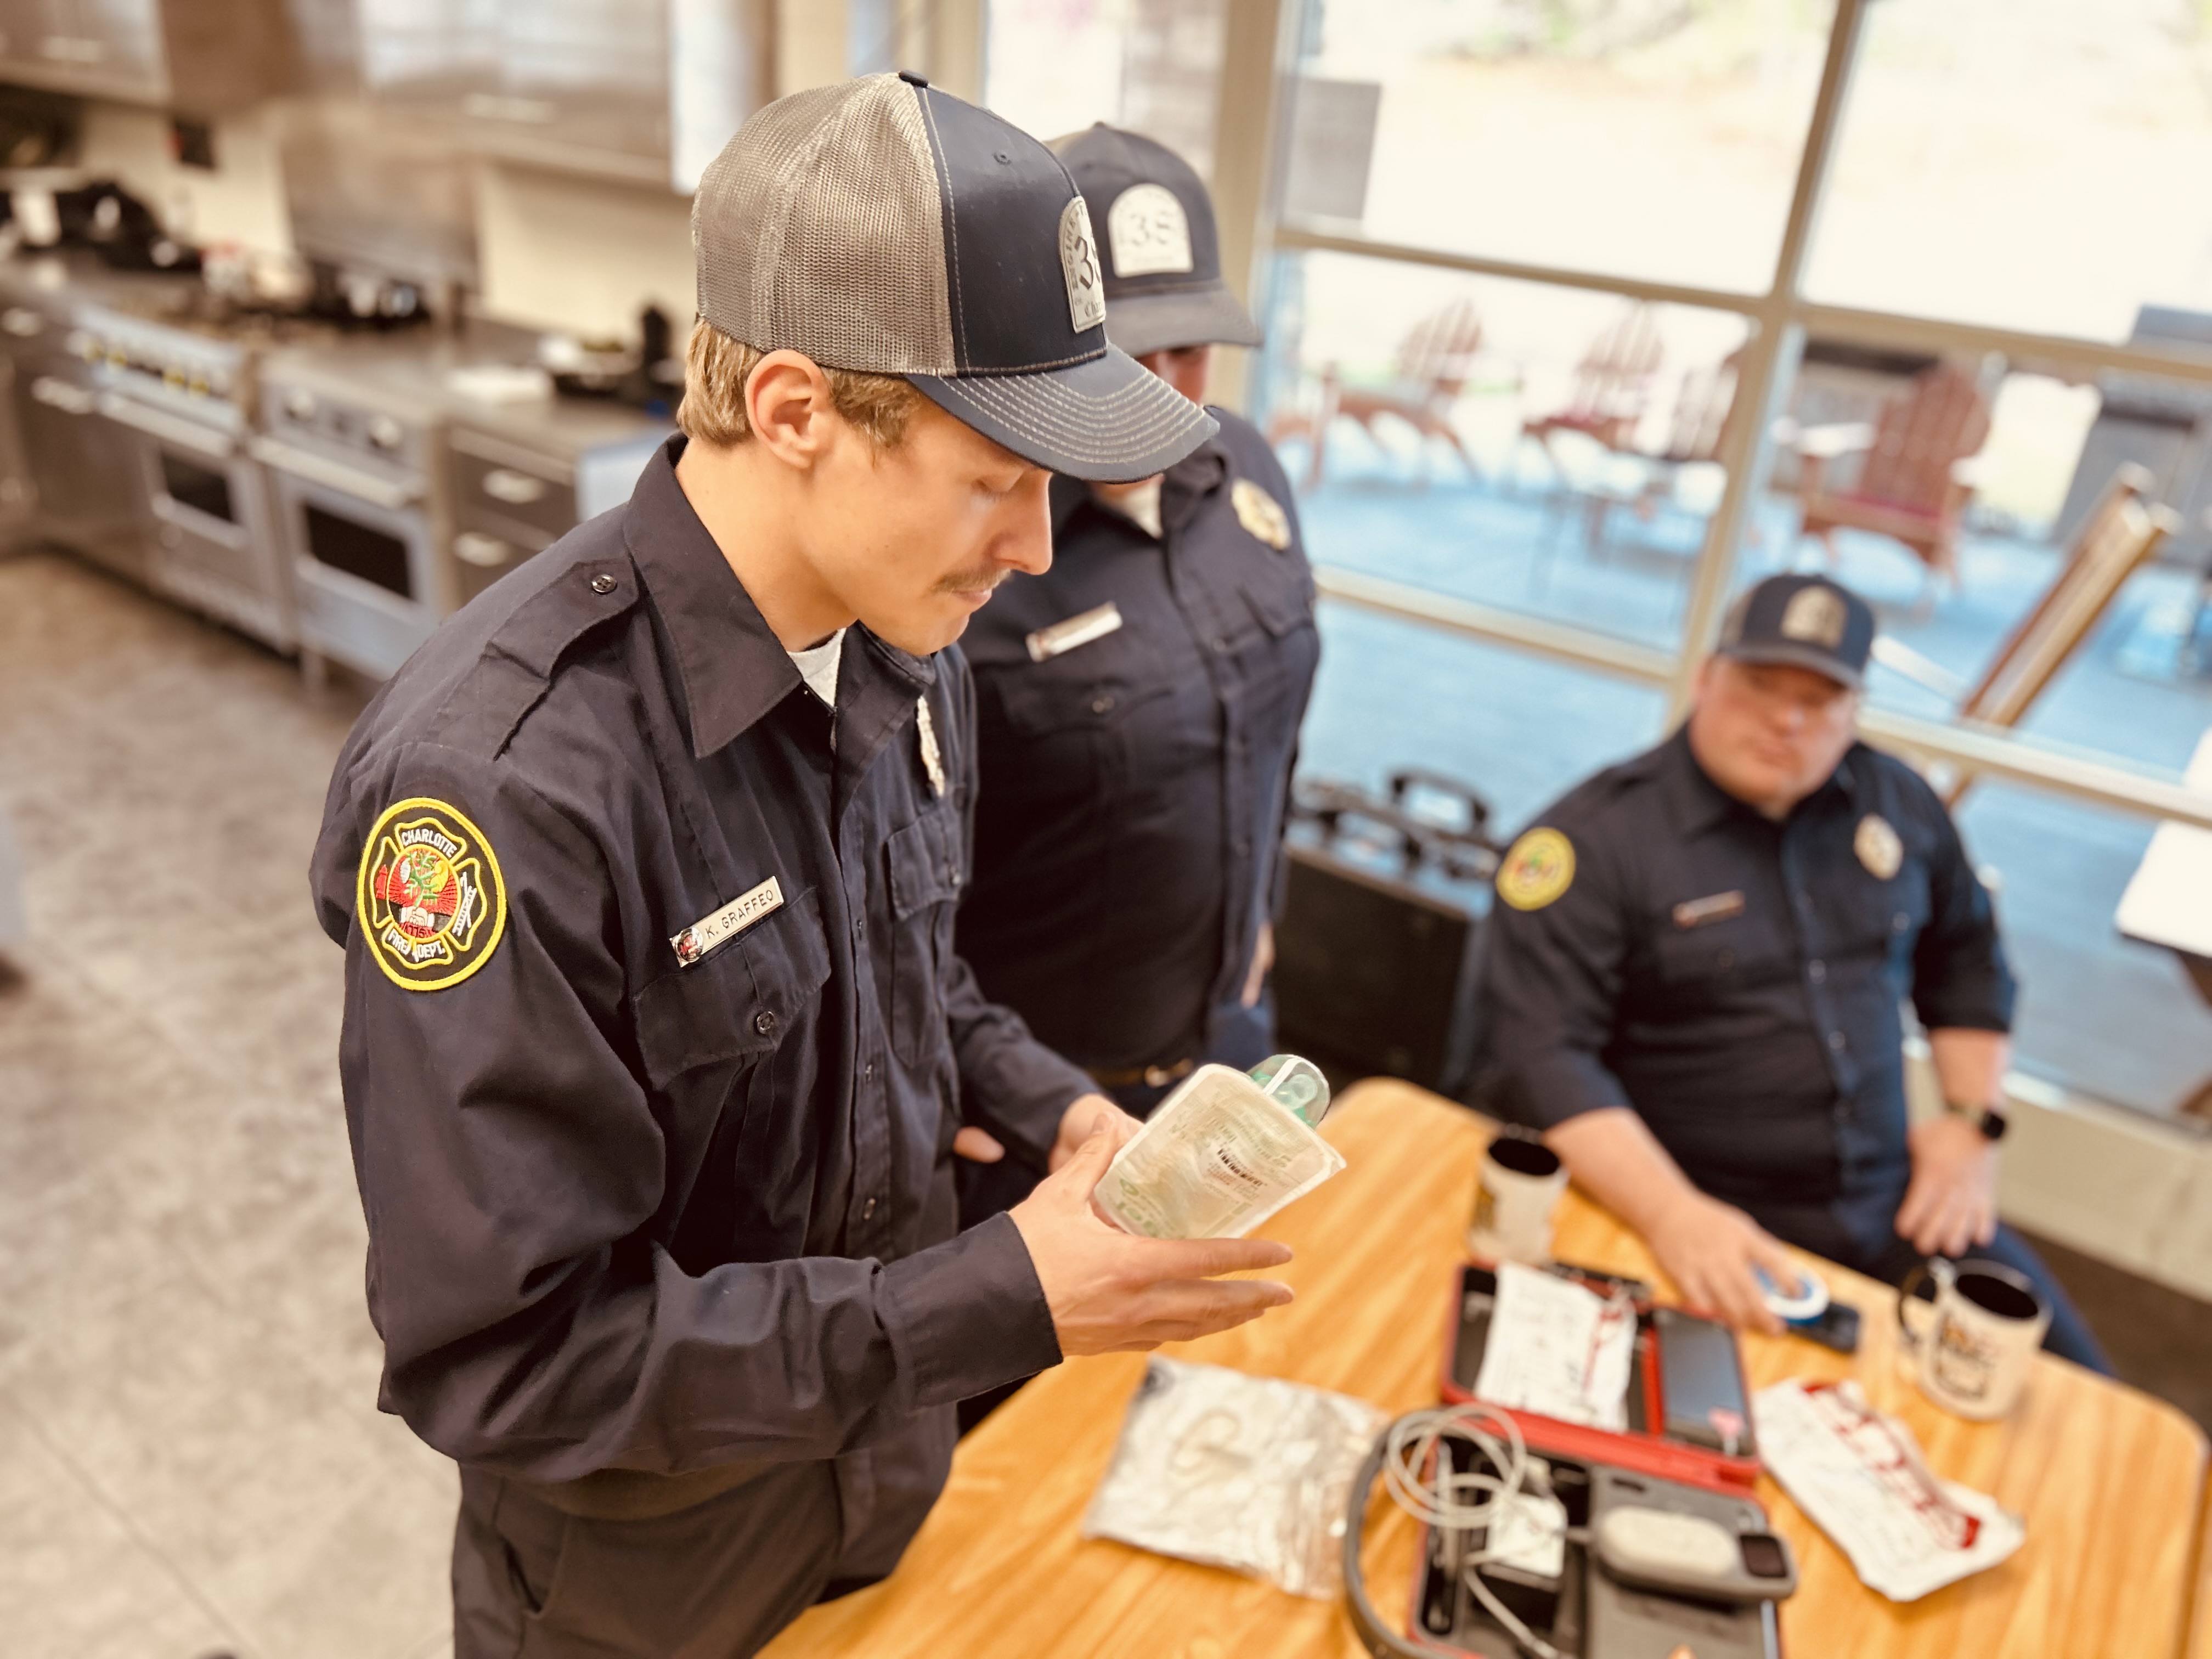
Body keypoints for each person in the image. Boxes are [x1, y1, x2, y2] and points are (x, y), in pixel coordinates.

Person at [308, 74, 1297, 1659]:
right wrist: (995, 1301)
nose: (1039, 547)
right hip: (654, 1567)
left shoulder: (905, 633)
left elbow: (913, 983)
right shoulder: (500, 792)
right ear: (794, 410)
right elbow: (509, 1363)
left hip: (885, 1466)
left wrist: (1061, 1111)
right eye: (997, 479)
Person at [1475, 573, 2109, 1369]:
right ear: (1707, 677)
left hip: (1896, 1202)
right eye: (1761, 685)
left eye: (1822, 699)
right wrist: (1674, 1214)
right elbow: (1543, 1054)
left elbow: (1968, 959)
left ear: (1855, 711)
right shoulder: (1594, 841)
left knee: (2089, 1405)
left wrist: (1972, 1126)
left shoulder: (1900, 803)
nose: (1787, 719)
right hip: (1697, 1208)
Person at [952, 124, 1319, 1179]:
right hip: (1044, 1103)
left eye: (1189, 351)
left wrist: (1261, 914)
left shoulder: (1247, 473)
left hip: (1231, 1050)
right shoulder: (981, 537)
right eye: (1124, 354)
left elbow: (1275, 727)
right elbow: (886, 867)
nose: (1162, 391)